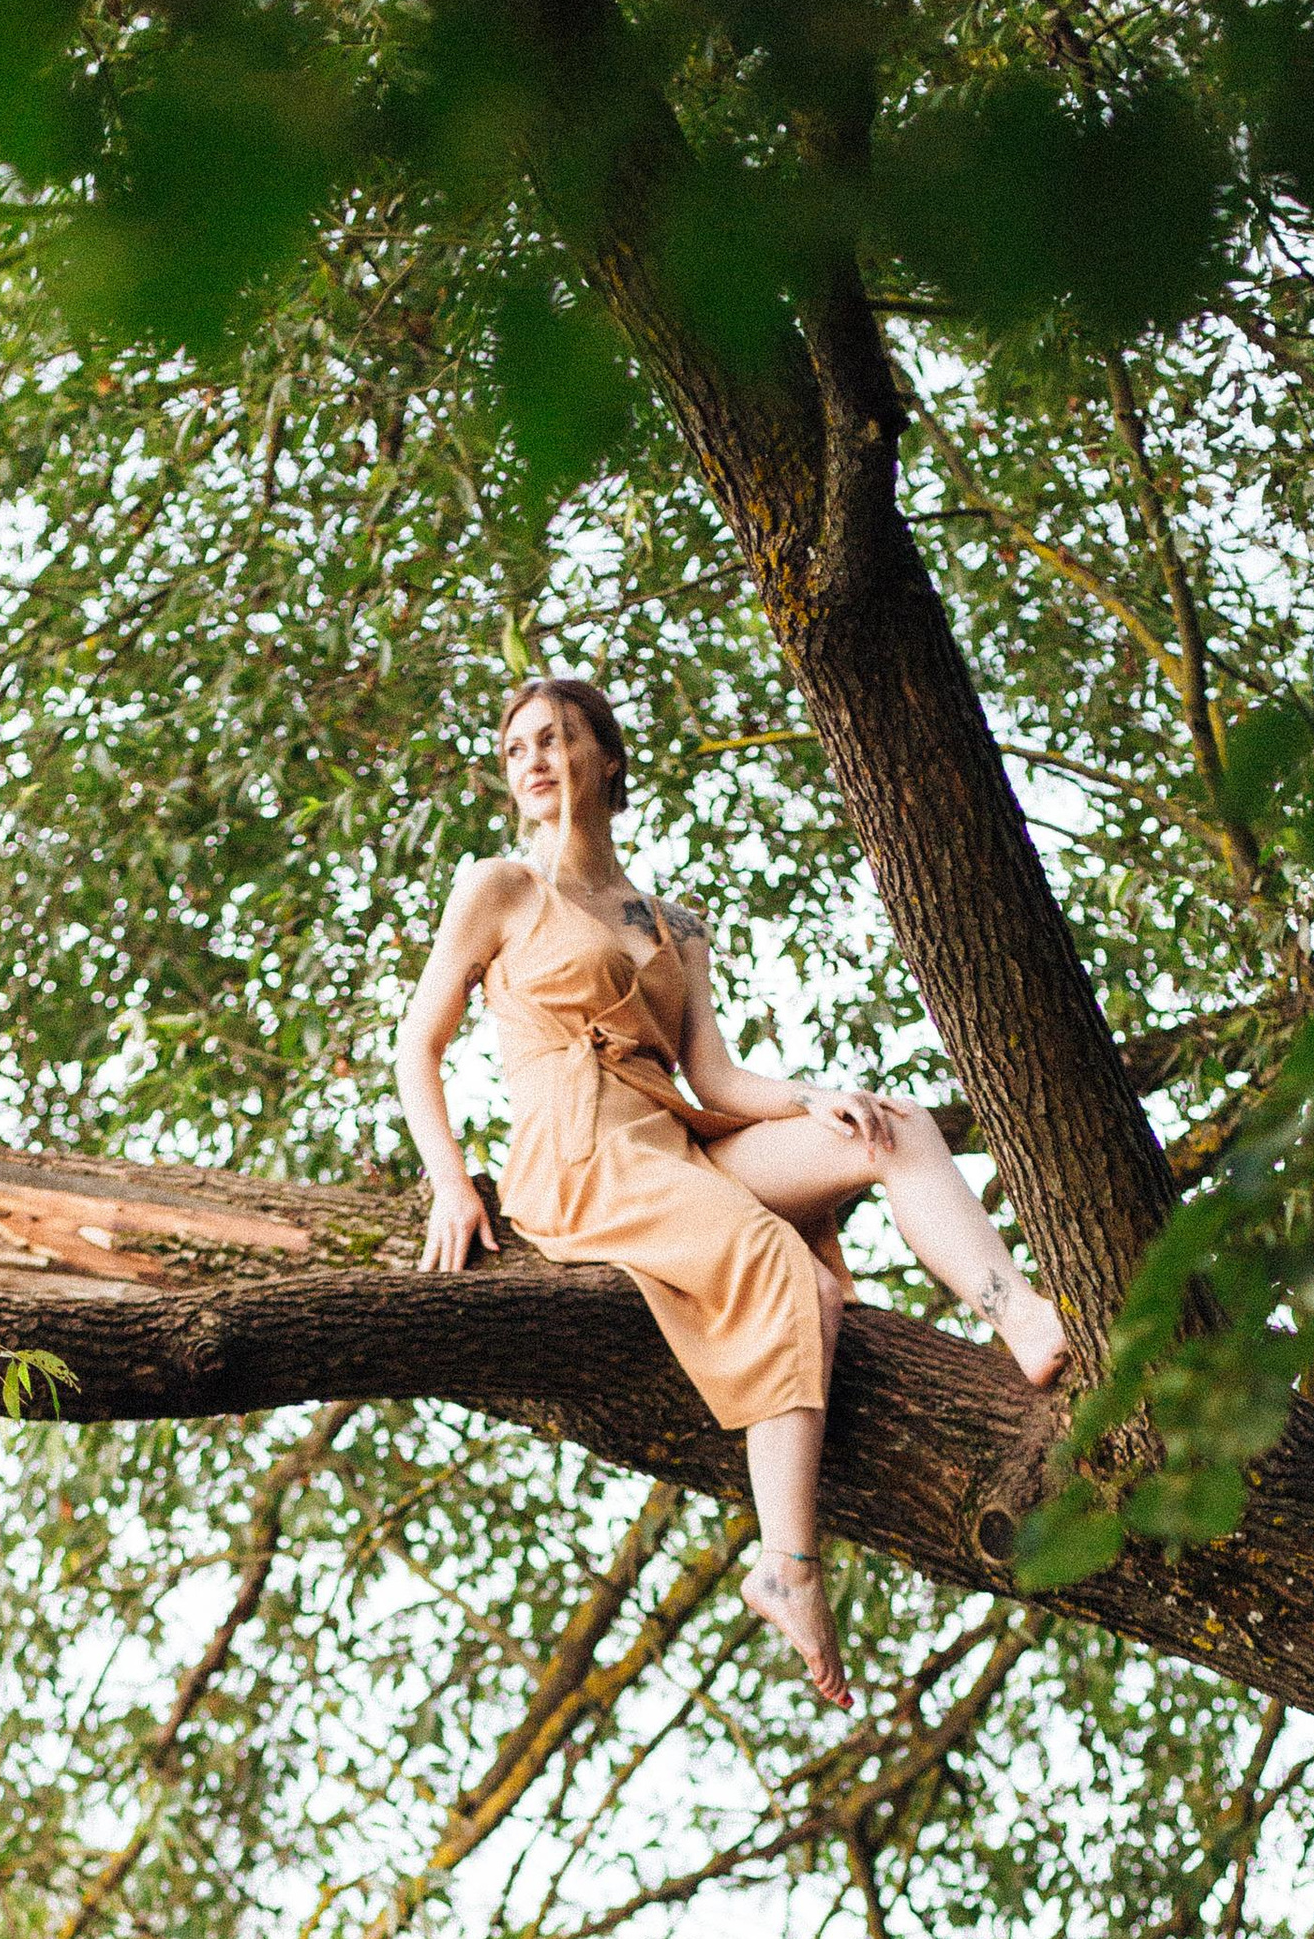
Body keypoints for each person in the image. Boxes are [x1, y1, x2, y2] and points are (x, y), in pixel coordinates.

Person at [393, 672, 1068, 1708]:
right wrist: (449, 1184)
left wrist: (815, 1098)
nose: (530, 759)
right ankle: (785, 1568)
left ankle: (1013, 1311)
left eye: (553, 737)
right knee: (798, 1282)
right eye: (516, 745)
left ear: (606, 758)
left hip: (679, 1134)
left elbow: (713, 1078)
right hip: (581, 1155)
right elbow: (417, 1045)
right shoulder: (498, 890)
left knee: (897, 1126)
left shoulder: (674, 923)